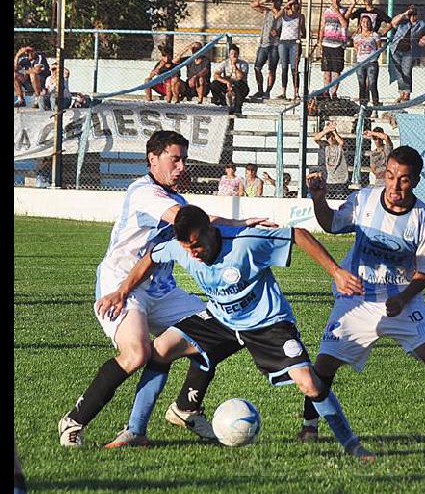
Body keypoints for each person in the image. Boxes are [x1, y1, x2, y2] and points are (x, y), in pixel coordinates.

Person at [96, 204, 376, 461]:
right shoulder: (181, 248)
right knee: (162, 349)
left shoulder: (245, 242)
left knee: (310, 384)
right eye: (187, 248)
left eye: (197, 245)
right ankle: (135, 432)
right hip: (221, 319)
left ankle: (352, 445)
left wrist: (336, 271)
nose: (193, 253)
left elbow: (298, 235)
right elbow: (151, 257)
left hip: (267, 322)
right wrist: (122, 291)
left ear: (210, 230)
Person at [58, 130, 272, 448]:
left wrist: (241, 230)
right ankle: (74, 421)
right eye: (175, 158)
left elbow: (198, 224)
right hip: (123, 287)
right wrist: (239, 224)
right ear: (153, 159)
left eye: (184, 159)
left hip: (162, 290)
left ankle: (186, 409)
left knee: (226, 325)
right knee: (137, 353)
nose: (182, 166)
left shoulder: (176, 199)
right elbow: (191, 222)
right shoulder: (144, 193)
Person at [299, 146, 425, 448]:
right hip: (356, 293)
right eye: (391, 176)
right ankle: (309, 426)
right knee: (325, 363)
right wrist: (318, 198)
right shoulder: (365, 199)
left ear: (416, 181)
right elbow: (331, 223)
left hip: (401, 297)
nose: (395, 185)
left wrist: (404, 297)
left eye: (404, 180)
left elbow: (424, 273)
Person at [387, 5, 425, 103]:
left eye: (414, 14)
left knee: (406, 71)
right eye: (411, 14)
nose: (413, 16)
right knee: (399, 72)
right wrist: (405, 14)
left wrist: (424, 37)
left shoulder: (421, 24)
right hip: (396, 50)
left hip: (409, 51)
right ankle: (401, 94)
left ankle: (407, 94)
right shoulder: (403, 22)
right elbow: (393, 23)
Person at [249, 0, 283, 99]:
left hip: (275, 45)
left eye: (275, 1)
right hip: (263, 44)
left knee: (271, 69)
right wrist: (264, 0)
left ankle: (267, 91)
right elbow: (252, 5)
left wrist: (278, 33)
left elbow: (288, 29)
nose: (273, 3)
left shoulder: (283, 15)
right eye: (272, 1)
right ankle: (260, 90)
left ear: (280, 2)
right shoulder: (267, 11)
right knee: (257, 67)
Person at [318, 0, 349, 99]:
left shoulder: (343, 11)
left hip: (338, 44)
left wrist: (337, 12)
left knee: (336, 70)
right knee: (327, 70)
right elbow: (322, 26)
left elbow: (345, 24)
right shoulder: (326, 11)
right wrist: (319, 41)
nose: (335, 1)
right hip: (327, 43)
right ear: (331, 0)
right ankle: (326, 91)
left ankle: (334, 91)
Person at [276, 0, 305, 101]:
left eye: (294, 4)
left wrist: (303, 34)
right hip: (283, 42)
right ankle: (283, 92)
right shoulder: (284, 14)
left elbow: (303, 30)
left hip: (294, 43)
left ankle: (296, 92)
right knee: (284, 67)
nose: (293, 6)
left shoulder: (300, 16)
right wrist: (286, 6)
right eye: (291, 4)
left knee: (294, 68)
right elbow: (276, 16)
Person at [352, 15, 385, 107]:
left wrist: (374, 58)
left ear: (370, 23)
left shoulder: (375, 35)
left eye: (367, 22)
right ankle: (363, 104)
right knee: (361, 84)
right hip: (360, 62)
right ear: (360, 23)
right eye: (363, 22)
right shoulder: (356, 37)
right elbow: (356, 48)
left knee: (372, 84)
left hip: (372, 63)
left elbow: (379, 48)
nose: (365, 24)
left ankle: (375, 103)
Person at [313, 120, 349, 198]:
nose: (330, 138)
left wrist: (334, 132)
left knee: (340, 199)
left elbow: (342, 143)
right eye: (328, 136)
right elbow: (316, 139)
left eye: (332, 136)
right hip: (330, 180)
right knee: (329, 199)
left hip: (341, 179)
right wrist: (327, 130)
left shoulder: (339, 146)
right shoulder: (325, 145)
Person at [210, 44, 249, 114]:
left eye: (235, 54)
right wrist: (226, 82)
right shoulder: (225, 63)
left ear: (238, 54)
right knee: (214, 84)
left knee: (238, 83)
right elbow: (216, 75)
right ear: (229, 55)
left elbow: (240, 77)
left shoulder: (243, 64)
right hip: (228, 85)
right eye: (232, 54)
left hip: (240, 87)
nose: (233, 55)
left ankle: (237, 108)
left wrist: (234, 66)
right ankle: (222, 102)